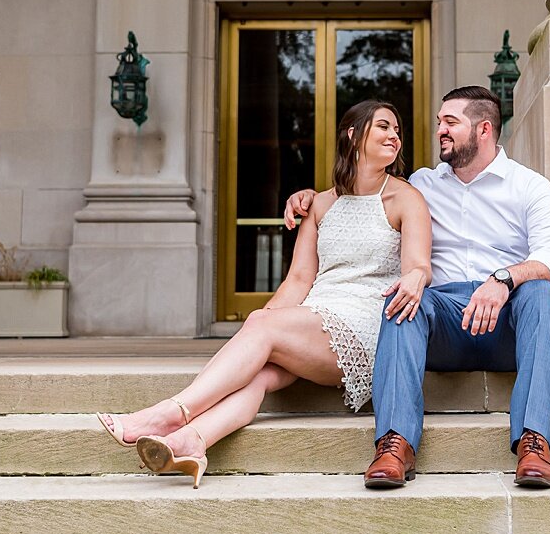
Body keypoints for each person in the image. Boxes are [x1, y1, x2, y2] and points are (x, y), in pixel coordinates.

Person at [97, 99, 431, 487]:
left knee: (263, 329)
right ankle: (193, 441)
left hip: (367, 324)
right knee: (260, 375)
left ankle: (171, 413)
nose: (395, 137)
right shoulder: (321, 204)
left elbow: (418, 267)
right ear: (353, 135)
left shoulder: (406, 198)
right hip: (315, 317)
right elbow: (299, 281)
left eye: (397, 131)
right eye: (384, 127)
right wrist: (258, 331)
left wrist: (417, 276)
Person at [284, 85, 550, 490]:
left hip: (508, 319)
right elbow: (361, 194)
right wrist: (310, 198)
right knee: (404, 297)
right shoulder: (421, 184)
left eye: (450, 123)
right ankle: (394, 444)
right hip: (447, 320)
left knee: (543, 293)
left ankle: (534, 442)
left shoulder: (530, 186)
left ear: (484, 129)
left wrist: (504, 279)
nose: (440, 131)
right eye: (439, 123)